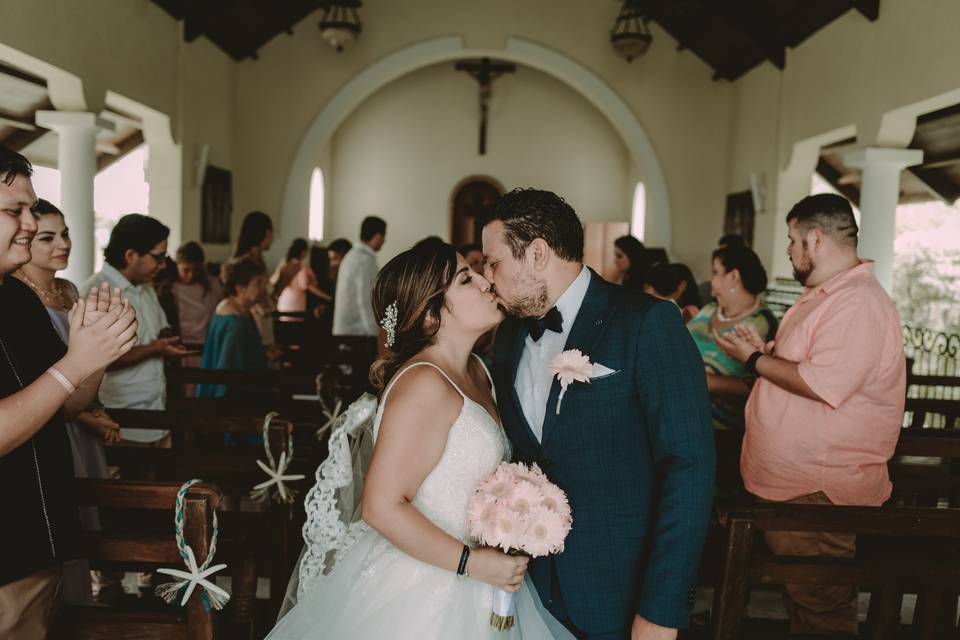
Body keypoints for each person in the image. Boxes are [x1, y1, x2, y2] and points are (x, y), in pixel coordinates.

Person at [268, 240, 572, 640]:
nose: (485, 282)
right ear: (431, 316)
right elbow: (380, 506)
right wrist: (470, 563)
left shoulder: (478, 371)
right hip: (424, 588)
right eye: (466, 278)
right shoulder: (423, 384)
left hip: (482, 579)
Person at [482, 189, 715, 639]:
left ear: (537, 253)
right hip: (529, 592)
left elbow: (689, 470)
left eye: (493, 262)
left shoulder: (647, 323)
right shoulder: (508, 337)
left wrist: (663, 609)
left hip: (620, 595)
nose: (488, 278)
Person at [717, 193, 906, 635]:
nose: (787, 249)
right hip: (799, 484)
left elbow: (824, 384)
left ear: (815, 239)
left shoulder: (856, 302)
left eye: (792, 239)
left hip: (819, 488)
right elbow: (811, 363)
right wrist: (766, 351)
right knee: (804, 602)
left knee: (823, 609)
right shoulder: (831, 295)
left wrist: (752, 361)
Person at [0, 145, 137, 637]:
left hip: (42, 539)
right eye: (14, 210)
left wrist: (95, 355)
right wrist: (75, 362)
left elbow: (69, 404)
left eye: (30, 210)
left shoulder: (16, 297)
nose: (30, 224)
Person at [81, 214, 195, 443]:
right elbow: (96, 361)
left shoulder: (146, 288)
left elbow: (161, 329)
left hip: (156, 408)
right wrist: (156, 349)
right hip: (118, 416)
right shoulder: (96, 292)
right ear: (130, 255)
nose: (163, 265)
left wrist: (167, 339)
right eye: (158, 257)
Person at [686, 246, 776, 431]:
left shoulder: (762, 324)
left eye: (715, 272)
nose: (711, 279)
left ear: (734, 276)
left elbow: (763, 385)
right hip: (684, 417)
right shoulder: (708, 310)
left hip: (722, 429)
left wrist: (706, 381)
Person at [197, 257, 270, 399]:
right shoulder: (235, 322)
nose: (263, 289)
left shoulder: (235, 308)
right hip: (233, 398)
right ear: (240, 288)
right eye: (257, 284)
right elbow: (228, 369)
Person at [332, 216, 386, 337]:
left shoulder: (353, 255)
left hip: (347, 331)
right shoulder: (364, 260)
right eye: (383, 237)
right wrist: (375, 334)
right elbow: (366, 300)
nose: (384, 241)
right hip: (355, 333)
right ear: (377, 236)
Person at [232, 210, 276, 348]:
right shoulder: (248, 262)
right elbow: (261, 295)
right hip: (254, 318)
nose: (273, 237)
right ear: (266, 233)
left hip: (259, 317)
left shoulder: (257, 259)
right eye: (271, 232)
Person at [170, 241, 223, 346]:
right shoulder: (169, 287)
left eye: (196, 270)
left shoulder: (213, 285)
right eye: (186, 270)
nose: (191, 275)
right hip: (179, 344)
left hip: (208, 343)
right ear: (177, 265)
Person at [277, 243, 332, 319]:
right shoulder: (301, 266)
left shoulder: (285, 262)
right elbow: (306, 285)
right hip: (295, 302)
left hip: (284, 300)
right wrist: (327, 297)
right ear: (303, 251)